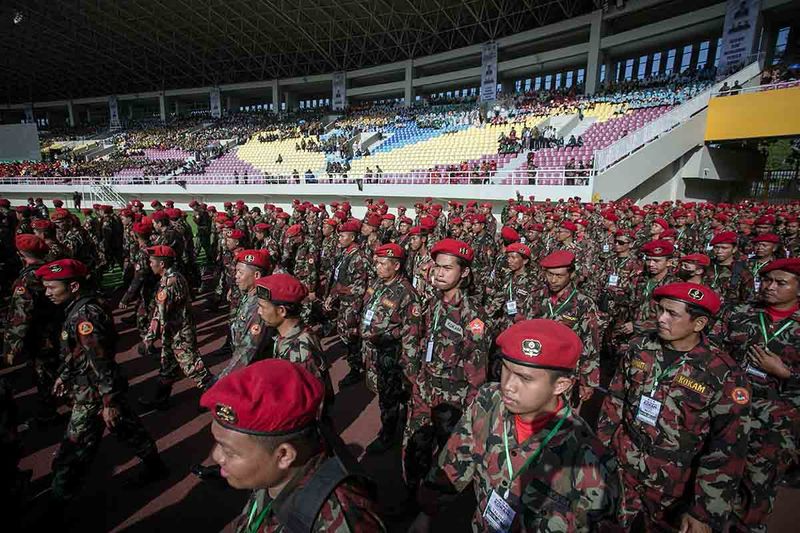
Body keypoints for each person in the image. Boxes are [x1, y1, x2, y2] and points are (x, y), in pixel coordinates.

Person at [409, 319, 620, 532]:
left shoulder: (590, 463)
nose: (508, 385)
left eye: (525, 378)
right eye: (506, 370)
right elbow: (456, 458)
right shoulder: (489, 401)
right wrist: (426, 513)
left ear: (561, 385)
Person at [597, 282, 750, 531]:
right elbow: (614, 402)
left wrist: (703, 512)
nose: (661, 319)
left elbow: (727, 448)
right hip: (621, 467)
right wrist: (599, 454)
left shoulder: (723, 374)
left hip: (672, 487)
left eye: (672, 314)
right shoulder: (640, 348)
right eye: (660, 310)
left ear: (698, 324)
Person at [37, 259, 167, 511]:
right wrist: (65, 374)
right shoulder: (80, 307)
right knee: (128, 429)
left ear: (73, 286)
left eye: (52, 288)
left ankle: (57, 502)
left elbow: (100, 360)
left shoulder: (85, 315)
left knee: (73, 449)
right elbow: (80, 351)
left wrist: (109, 401)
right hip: (94, 385)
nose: (48, 293)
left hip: (94, 390)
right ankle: (155, 466)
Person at [201, 359, 384, 532]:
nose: (217, 456)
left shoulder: (337, 520)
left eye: (229, 451)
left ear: (284, 455)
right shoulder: (274, 474)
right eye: (218, 443)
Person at [713, 258, 800, 532]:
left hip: (777, 423)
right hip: (729, 410)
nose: (770, 287)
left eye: (781, 282)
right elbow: (712, 350)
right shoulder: (740, 313)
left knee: (757, 488)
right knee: (716, 476)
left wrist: (786, 374)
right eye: (767, 280)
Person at [403, 239, 488, 502]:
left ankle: (433, 509)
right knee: (415, 446)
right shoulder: (431, 304)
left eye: (447, 268)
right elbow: (417, 340)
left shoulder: (472, 315)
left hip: (452, 398)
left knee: (446, 457)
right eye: (437, 267)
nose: (439, 273)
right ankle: (410, 497)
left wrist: (470, 407)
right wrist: (416, 376)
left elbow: (477, 367)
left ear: (464, 273)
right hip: (424, 388)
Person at [360, 243, 420, 453]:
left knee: (389, 396)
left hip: (391, 354)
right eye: (376, 262)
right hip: (374, 351)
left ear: (396, 266)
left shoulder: (406, 293)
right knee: (384, 392)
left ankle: (388, 434)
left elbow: (411, 333)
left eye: (382, 263)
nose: (377, 266)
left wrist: (409, 368)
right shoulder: (378, 283)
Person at [139, 245, 214, 410]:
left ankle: (216, 397)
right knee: (168, 366)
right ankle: (160, 399)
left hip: (180, 333)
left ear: (162, 264)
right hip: (173, 331)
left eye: (152, 261)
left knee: (193, 366)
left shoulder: (170, 282)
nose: (149, 264)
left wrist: (149, 339)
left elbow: (160, 314)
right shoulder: (170, 277)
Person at [2, 235, 63, 422]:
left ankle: (49, 412)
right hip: (57, 328)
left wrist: (11, 346)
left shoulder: (27, 279)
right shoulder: (53, 267)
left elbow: (21, 315)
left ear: (21, 254)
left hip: (40, 334)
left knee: (44, 373)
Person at [324, 220, 370, 388]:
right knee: (346, 334)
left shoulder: (360, 257)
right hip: (344, 302)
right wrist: (332, 295)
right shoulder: (346, 254)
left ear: (352, 237)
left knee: (352, 336)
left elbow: (360, 288)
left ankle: (356, 369)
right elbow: (339, 279)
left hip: (354, 304)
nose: (340, 239)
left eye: (343, 236)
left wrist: (339, 291)